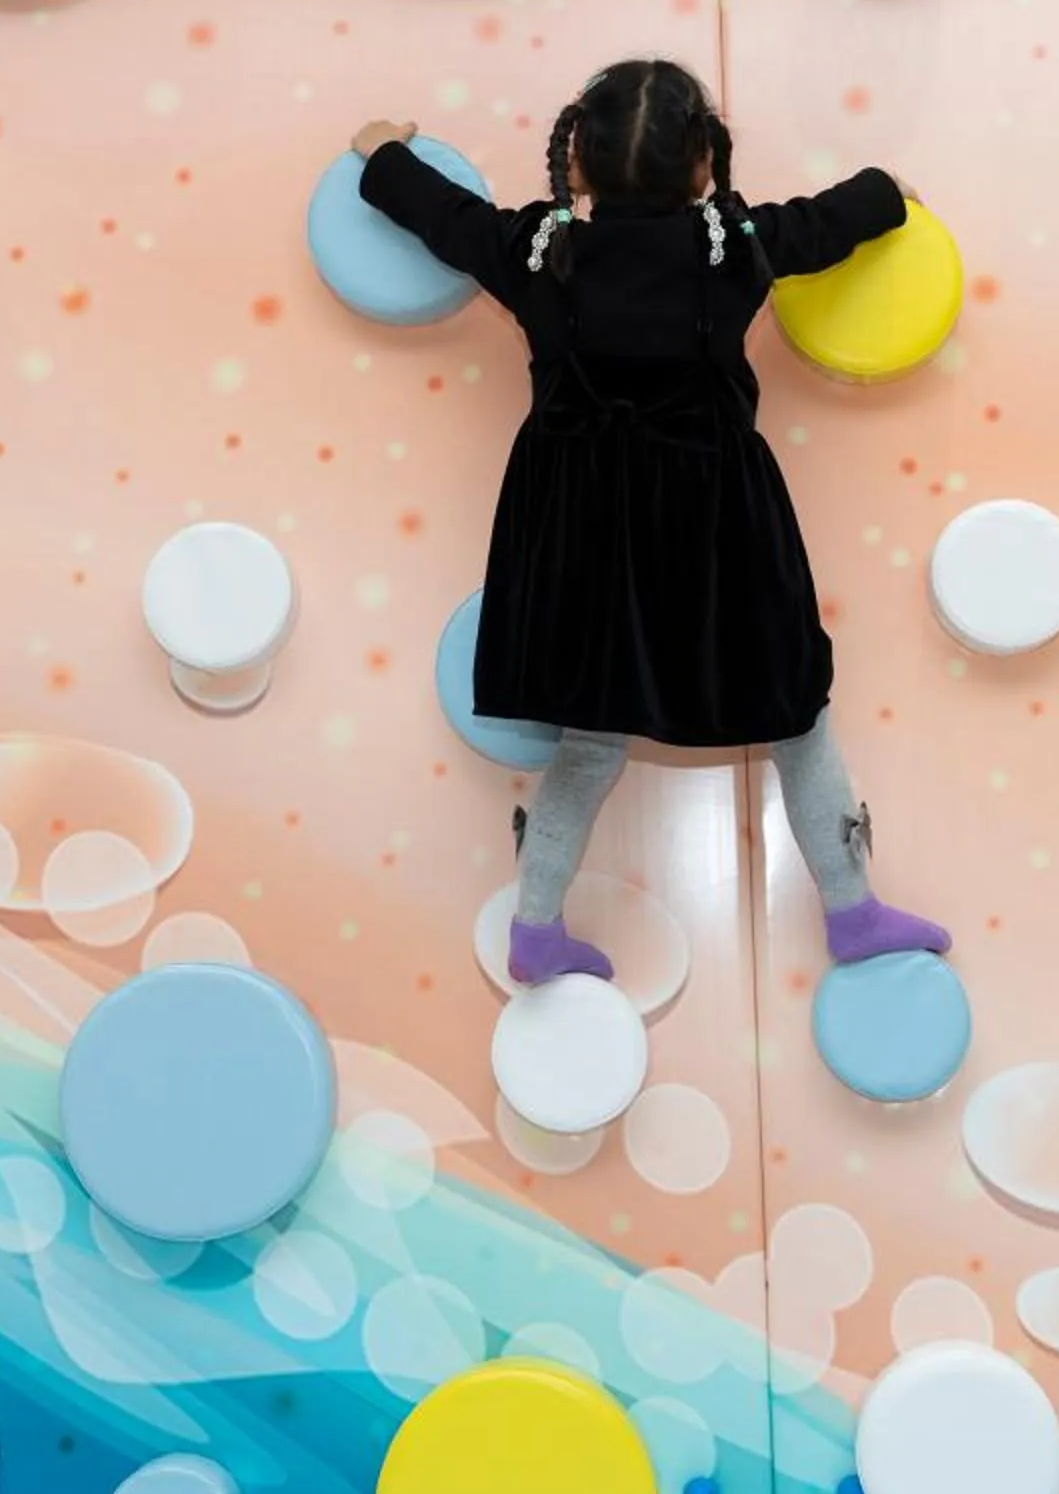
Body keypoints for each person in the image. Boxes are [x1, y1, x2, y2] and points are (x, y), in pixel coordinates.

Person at [353, 60, 953, 986]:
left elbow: (447, 222)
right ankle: (851, 908)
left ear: (578, 166)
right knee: (797, 716)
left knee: (593, 735)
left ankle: (537, 924)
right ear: (705, 164)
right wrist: (889, 192)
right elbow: (830, 221)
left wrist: (382, 152)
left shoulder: (539, 247)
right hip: (715, 522)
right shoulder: (736, 241)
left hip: (576, 522)